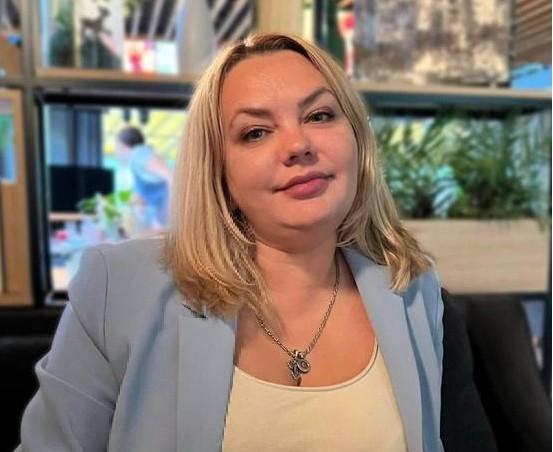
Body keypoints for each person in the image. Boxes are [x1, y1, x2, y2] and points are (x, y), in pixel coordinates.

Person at [17, 33, 444, 451]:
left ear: (357, 138)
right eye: (255, 132)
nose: (298, 145)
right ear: (218, 170)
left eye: (319, 115)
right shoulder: (118, 288)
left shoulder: (411, 289)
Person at [115, 125, 172, 228]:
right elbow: (141, 197)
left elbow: (172, 178)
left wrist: (162, 219)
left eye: (117, 147)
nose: (116, 153)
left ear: (123, 146)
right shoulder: (135, 163)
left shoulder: (138, 154)